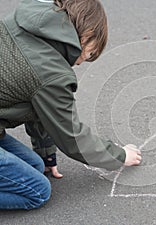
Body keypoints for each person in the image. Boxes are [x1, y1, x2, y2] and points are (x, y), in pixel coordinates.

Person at [0, 0, 141, 210]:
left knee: (37, 166)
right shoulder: (52, 74)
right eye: (91, 53)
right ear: (87, 33)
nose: (82, 61)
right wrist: (119, 155)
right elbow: (71, 136)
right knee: (37, 191)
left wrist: (46, 152)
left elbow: (37, 104)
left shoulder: (25, 24)